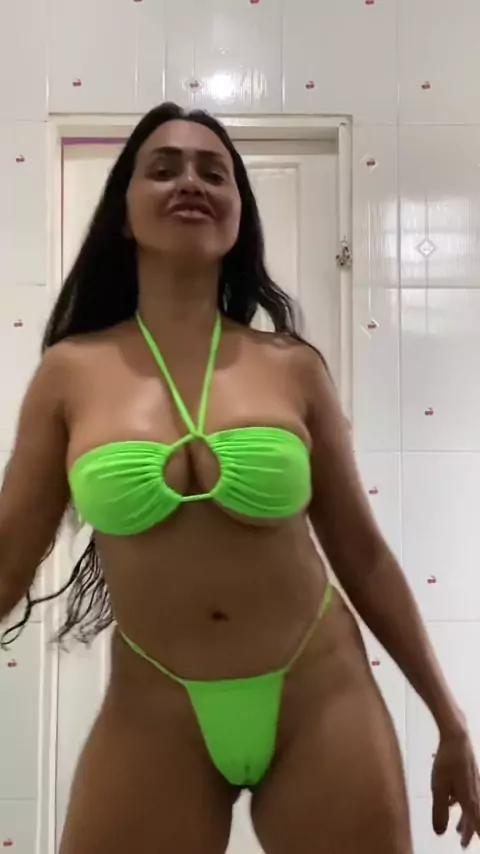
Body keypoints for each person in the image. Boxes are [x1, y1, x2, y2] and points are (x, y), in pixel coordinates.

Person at [0, 102, 478, 854]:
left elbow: (363, 555)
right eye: (163, 168)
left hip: (317, 691)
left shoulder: (292, 367)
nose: (190, 182)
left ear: (238, 214)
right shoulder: (70, 374)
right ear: (124, 212)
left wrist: (450, 721)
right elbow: (7, 557)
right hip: (155, 705)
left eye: (214, 172)